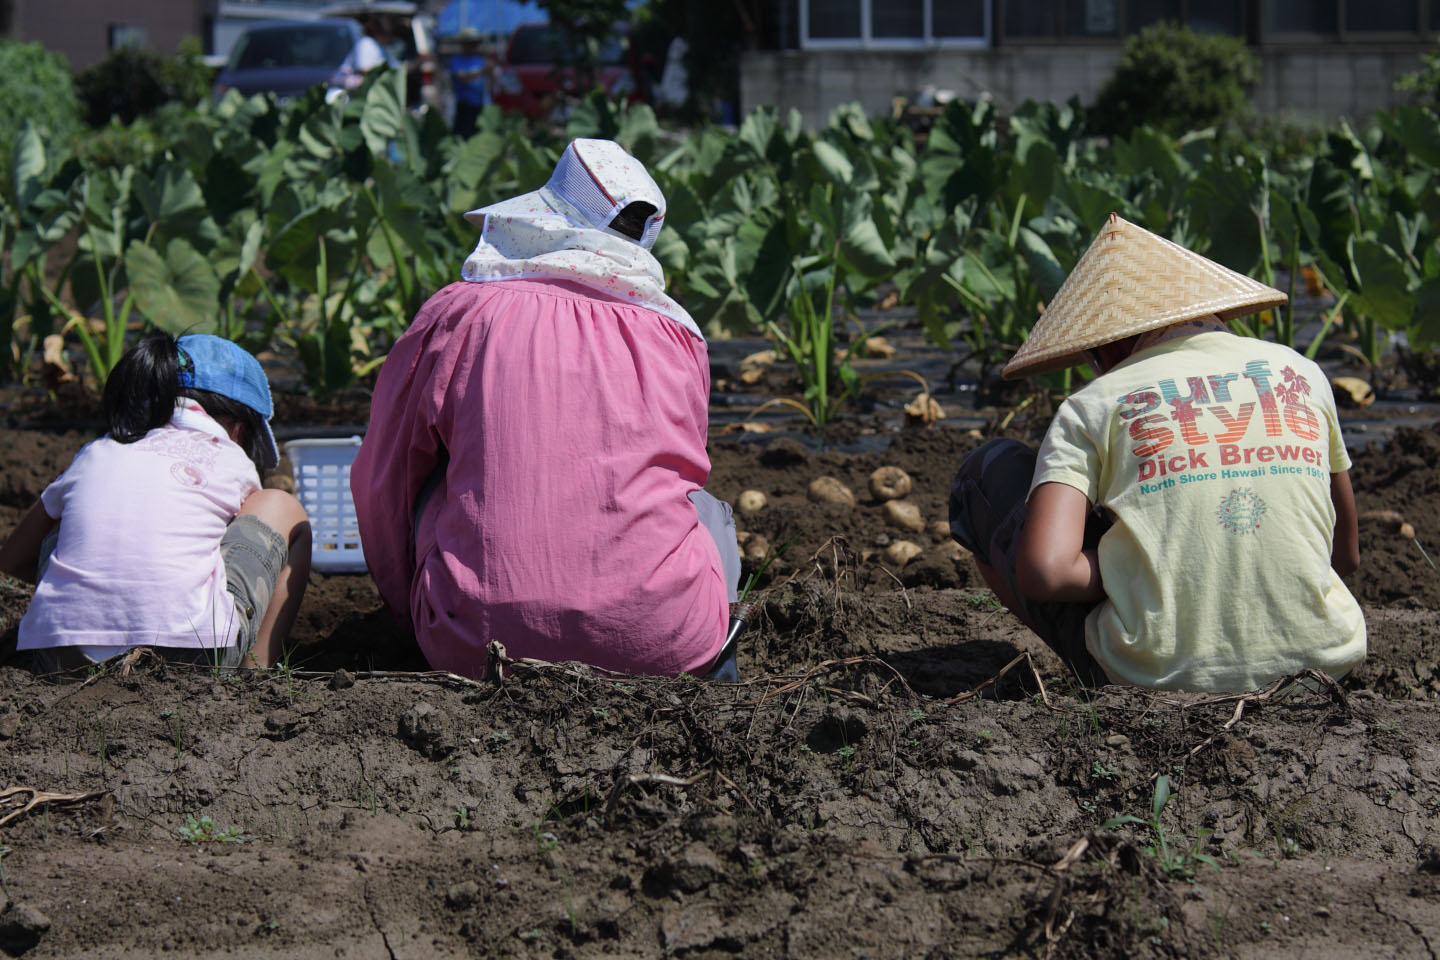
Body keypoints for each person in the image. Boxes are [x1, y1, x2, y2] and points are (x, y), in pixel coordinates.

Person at [351, 138, 741, 681]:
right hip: (658, 648)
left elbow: (383, 477)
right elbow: (682, 473)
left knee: (432, 479)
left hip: (475, 643)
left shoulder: (465, 311)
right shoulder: (678, 335)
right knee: (706, 512)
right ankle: (714, 681)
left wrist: (408, 612)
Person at [949, 213, 1365, 693]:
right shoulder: (1301, 373)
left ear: (1107, 345)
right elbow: (1345, 554)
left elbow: (1046, 571)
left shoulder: (1095, 402)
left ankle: (1101, 677)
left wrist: (1145, 563)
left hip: (1160, 678)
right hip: (1324, 661)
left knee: (983, 472)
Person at [0, 334, 311, 672]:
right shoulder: (229, 457)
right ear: (237, 427)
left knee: (65, 523)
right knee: (280, 505)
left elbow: (13, 558)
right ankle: (254, 670)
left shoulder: (98, 451)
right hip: (194, 657)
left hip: (60, 655)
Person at [449, 28, 493, 139]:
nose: (473, 47)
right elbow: (463, 77)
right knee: (462, 136)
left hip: (479, 105)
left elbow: (491, 82)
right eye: (470, 44)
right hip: (464, 105)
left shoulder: (481, 60)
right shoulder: (456, 60)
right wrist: (483, 70)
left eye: (475, 44)